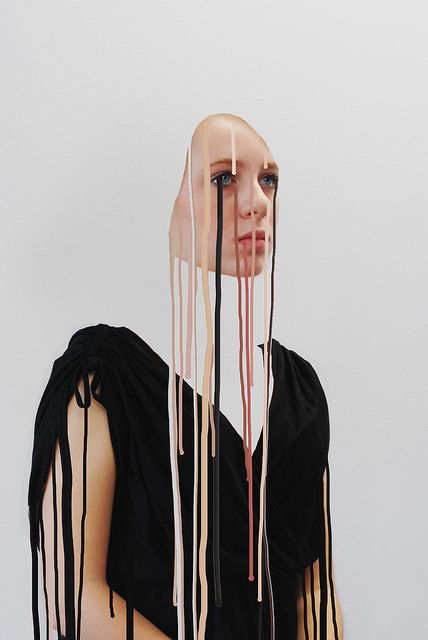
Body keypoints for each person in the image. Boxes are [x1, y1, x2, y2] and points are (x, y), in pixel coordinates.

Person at [28, 113, 344, 639]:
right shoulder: (102, 381)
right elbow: (73, 596)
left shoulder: (300, 394)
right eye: (224, 179)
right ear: (174, 202)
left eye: (269, 179)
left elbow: (315, 587)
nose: (258, 201)